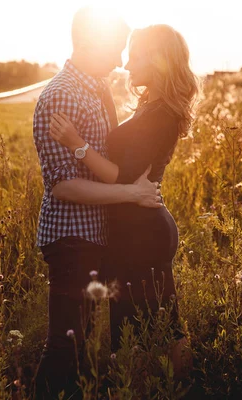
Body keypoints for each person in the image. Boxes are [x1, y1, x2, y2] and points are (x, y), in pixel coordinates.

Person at [48, 24, 200, 380]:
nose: (127, 65)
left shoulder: (162, 113)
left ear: (157, 59)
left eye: (135, 56)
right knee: (151, 321)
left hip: (141, 233)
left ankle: (180, 386)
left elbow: (121, 176)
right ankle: (168, 385)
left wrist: (76, 144)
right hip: (134, 227)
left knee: (156, 326)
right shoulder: (152, 106)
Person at [31, 7, 162, 399]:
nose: (122, 60)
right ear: (92, 42)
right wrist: (132, 194)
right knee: (64, 346)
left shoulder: (95, 87)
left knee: (83, 343)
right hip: (72, 238)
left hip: (94, 237)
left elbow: (106, 163)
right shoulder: (61, 96)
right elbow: (65, 188)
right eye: (117, 48)